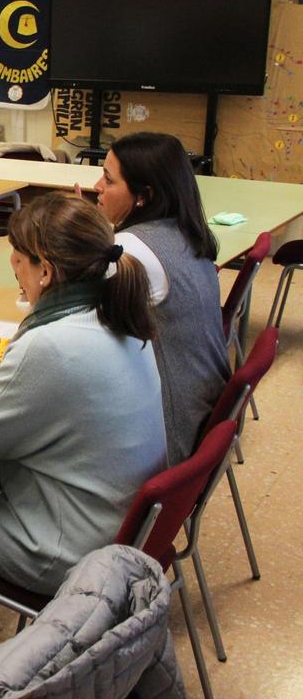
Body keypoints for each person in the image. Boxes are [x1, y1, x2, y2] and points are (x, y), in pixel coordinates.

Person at [0, 192, 167, 597]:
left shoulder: (50, 346)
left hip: (65, 551)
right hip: (117, 528)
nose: (12, 266)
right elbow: (14, 395)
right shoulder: (115, 314)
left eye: (17, 256)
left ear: (45, 272)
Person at [91, 132, 230, 467]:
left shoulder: (133, 250)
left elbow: (74, 324)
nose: (97, 186)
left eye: (109, 180)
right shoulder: (184, 232)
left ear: (144, 196)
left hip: (169, 430)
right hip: (199, 410)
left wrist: (78, 235)